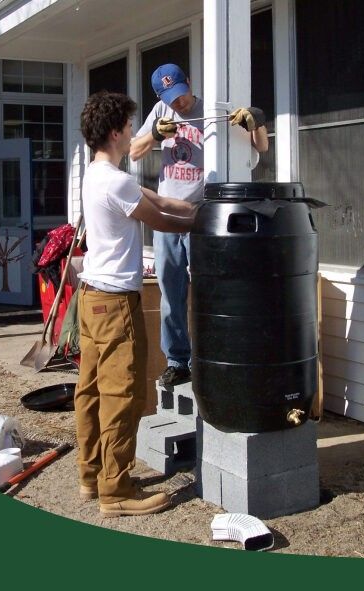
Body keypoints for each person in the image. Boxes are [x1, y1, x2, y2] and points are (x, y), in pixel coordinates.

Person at [77, 91, 195, 516]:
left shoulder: (95, 173)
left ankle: (91, 475)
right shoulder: (117, 181)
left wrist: (199, 205)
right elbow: (161, 218)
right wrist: (204, 222)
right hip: (114, 304)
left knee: (90, 389)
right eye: (129, 126)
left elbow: (160, 200)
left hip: (90, 298)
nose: (134, 131)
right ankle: (117, 492)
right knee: (123, 394)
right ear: (114, 132)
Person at [130, 63, 268, 387]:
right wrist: (153, 134)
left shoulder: (214, 110)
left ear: (189, 83)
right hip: (166, 217)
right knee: (170, 292)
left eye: (182, 94)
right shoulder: (161, 111)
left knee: (209, 291)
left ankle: (212, 359)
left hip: (201, 214)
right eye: (172, 98)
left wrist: (256, 120)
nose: (179, 103)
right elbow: (134, 153)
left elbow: (260, 146)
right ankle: (178, 362)